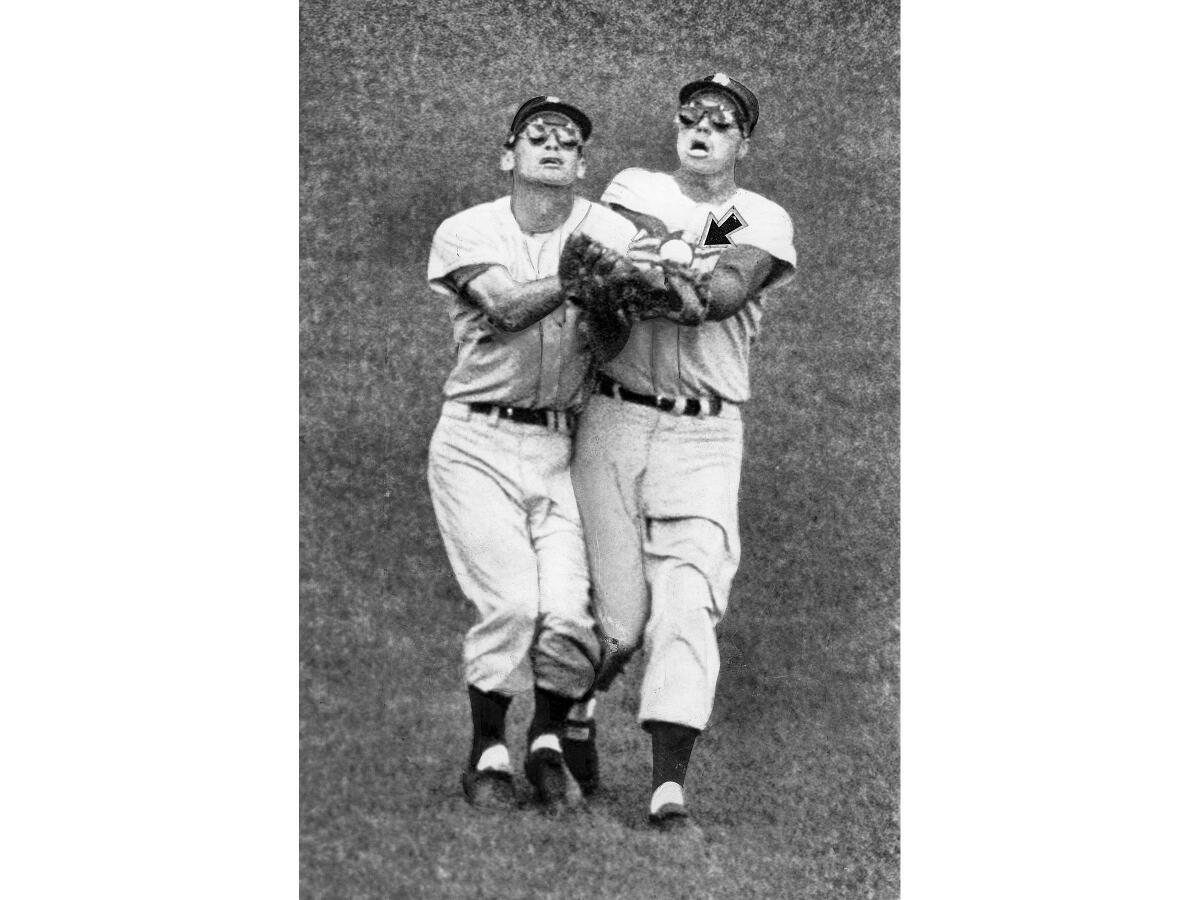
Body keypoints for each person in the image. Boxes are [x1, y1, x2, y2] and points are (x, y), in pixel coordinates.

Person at [571, 74, 798, 831]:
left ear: (744, 142)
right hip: (613, 416)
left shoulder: (758, 215)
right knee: (615, 613)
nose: (702, 127)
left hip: (704, 431)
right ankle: (566, 718)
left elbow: (725, 290)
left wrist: (651, 265)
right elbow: (598, 259)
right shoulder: (635, 182)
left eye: (722, 120)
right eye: (691, 115)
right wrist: (665, 267)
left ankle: (669, 786)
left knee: (690, 596)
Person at [426, 96, 637, 813]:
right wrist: (580, 280)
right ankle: (486, 751)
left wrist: (616, 303)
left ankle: (546, 742)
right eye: (536, 135)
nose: (552, 144)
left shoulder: (608, 227)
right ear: (507, 155)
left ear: (583, 165)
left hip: (559, 441)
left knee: (570, 611)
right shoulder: (467, 229)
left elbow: (610, 344)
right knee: (513, 602)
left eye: (568, 139)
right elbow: (508, 307)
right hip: (476, 440)